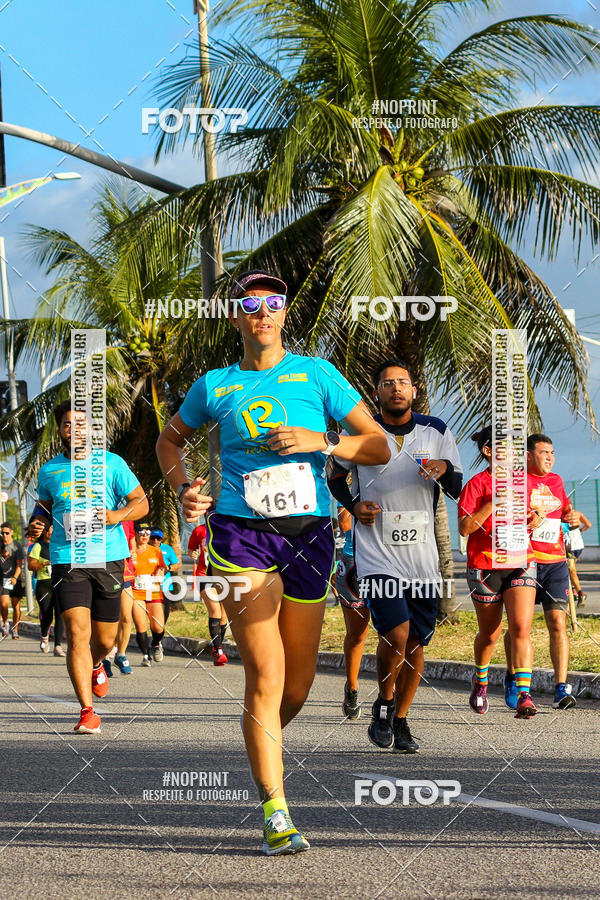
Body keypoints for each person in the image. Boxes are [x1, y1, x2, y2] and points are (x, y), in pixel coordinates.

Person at [156, 268, 389, 856]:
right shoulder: (215, 385)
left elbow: (380, 444)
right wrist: (183, 487)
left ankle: (261, 745)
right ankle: (276, 809)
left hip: (308, 537)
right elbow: (169, 441)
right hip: (240, 536)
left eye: (273, 302)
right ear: (235, 317)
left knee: (299, 684)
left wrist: (324, 442)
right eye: (250, 303)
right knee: (265, 671)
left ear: (285, 314)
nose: (262, 311)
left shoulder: (316, 374)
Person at [328, 358, 462, 754]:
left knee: (416, 644)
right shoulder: (363, 433)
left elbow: (455, 484)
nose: (396, 388)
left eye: (403, 382)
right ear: (376, 393)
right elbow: (335, 475)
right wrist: (353, 505)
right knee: (396, 633)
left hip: (422, 557)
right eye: (387, 383)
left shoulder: (435, 431)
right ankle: (384, 701)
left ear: (414, 390)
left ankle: (398, 718)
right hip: (377, 552)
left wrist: (442, 467)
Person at [35, 400, 148, 734]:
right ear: (60, 429)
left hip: (107, 558)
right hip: (66, 560)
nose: (75, 430)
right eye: (68, 424)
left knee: (105, 638)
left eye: (81, 424)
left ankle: (98, 663)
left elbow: (141, 502)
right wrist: (37, 524)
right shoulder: (50, 470)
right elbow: (42, 508)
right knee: (77, 636)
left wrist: (116, 516)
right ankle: (87, 711)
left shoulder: (111, 464)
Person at [458, 426, 538, 719]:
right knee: (490, 635)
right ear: (488, 451)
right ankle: (480, 682)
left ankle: (524, 695)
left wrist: (535, 518)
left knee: (520, 627)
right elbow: (465, 528)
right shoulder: (477, 484)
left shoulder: (524, 482)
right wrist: (492, 503)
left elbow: (535, 516)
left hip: (521, 560)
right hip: (485, 565)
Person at [503, 434, 586, 710]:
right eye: (543, 452)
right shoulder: (516, 482)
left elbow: (564, 513)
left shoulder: (557, 482)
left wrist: (571, 517)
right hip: (524, 562)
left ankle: (561, 688)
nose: (549, 457)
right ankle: (513, 677)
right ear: (528, 455)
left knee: (558, 623)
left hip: (555, 563)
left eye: (552, 452)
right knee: (518, 626)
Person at [334, 523, 369, 719]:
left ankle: (388, 697)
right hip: (353, 565)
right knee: (357, 635)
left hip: (389, 564)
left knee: (392, 635)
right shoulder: (349, 490)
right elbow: (344, 524)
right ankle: (352, 688)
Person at [188, 523, 228, 666]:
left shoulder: (227, 526)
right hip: (204, 575)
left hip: (224, 575)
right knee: (215, 611)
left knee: (224, 616)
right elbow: (191, 549)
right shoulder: (200, 530)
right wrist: (193, 553)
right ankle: (219, 650)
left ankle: (216, 647)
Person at [28, 517, 65, 657]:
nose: (53, 532)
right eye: (50, 529)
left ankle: (58, 646)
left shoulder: (59, 544)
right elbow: (31, 565)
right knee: (47, 613)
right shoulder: (38, 546)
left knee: (60, 614)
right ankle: (44, 635)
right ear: (45, 532)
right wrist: (44, 564)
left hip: (59, 582)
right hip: (44, 583)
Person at [103, 519, 137, 676]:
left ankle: (121, 655)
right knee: (106, 618)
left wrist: (134, 554)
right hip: (101, 570)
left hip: (124, 572)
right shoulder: (95, 514)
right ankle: (104, 658)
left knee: (126, 617)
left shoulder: (127, 518)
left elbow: (132, 541)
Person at [131, 521, 167, 664]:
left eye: (147, 533)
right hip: (136, 592)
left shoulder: (155, 551)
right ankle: (146, 655)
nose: (145, 536)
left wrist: (161, 570)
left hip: (153, 591)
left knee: (158, 627)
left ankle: (156, 644)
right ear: (135, 534)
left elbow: (163, 567)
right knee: (141, 626)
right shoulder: (130, 552)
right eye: (141, 533)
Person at [149, 527, 180, 626]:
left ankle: (159, 635)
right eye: (153, 538)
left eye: (158, 538)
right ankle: (154, 632)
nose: (155, 541)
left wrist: (167, 568)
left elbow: (177, 564)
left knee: (164, 612)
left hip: (165, 586)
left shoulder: (167, 549)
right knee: (151, 613)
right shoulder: (144, 549)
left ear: (162, 539)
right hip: (149, 586)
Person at [0, 523, 25, 639]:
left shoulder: (17, 546)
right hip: (2, 578)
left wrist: (15, 577)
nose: (4, 535)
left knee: (15, 605)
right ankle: (5, 623)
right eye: (2, 533)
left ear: (12, 532)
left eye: (7, 533)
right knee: (4, 603)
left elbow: (19, 565)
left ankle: (15, 629)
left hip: (15, 579)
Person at [562, 515, 591, 606]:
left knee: (571, 570)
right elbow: (588, 525)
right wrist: (579, 530)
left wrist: (579, 530)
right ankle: (575, 591)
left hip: (570, 546)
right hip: (577, 545)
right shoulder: (575, 514)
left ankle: (579, 593)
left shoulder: (566, 516)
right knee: (571, 570)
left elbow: (588, 524)